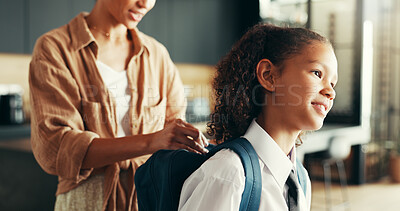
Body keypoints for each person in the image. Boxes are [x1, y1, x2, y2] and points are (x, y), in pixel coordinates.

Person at [29, 0, 209, 210]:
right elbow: (55, 148)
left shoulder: (158, 56)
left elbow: (175, 138)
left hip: (151, 200)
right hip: (86, 202)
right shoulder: (54, 49)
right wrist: (150, 142)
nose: (145, 4)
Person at [178, 23, 338, 211]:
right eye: (317, 73)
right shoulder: (228, 175)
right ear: (268, 75)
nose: (330, 92)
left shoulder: (300, 178)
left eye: (333, 83)